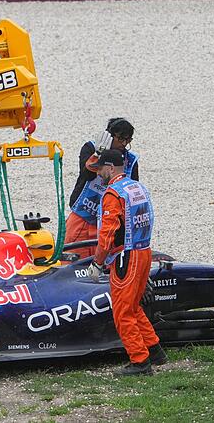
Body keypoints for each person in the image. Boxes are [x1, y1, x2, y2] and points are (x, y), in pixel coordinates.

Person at [86, 149, 165, 376]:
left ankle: (140, 361)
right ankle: (155, 350)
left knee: (122, 312)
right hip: (144, 252)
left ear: (110, 168)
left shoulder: (112, 194)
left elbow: (107, 234)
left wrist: (97, 262)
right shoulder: (138, 187)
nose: (98, 173)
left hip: (125, 257)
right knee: (133, 306)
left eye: (100, 168)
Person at [65, 118, 139, 259]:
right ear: (109, 136)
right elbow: (87, 175)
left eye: (128, 140)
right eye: (121, 139)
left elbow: (132, 193)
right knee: (70, 261)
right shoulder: (90, 148)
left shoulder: (131, 160)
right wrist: (98, 155)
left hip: (110, 222)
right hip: (83, 216)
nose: (123, 144)